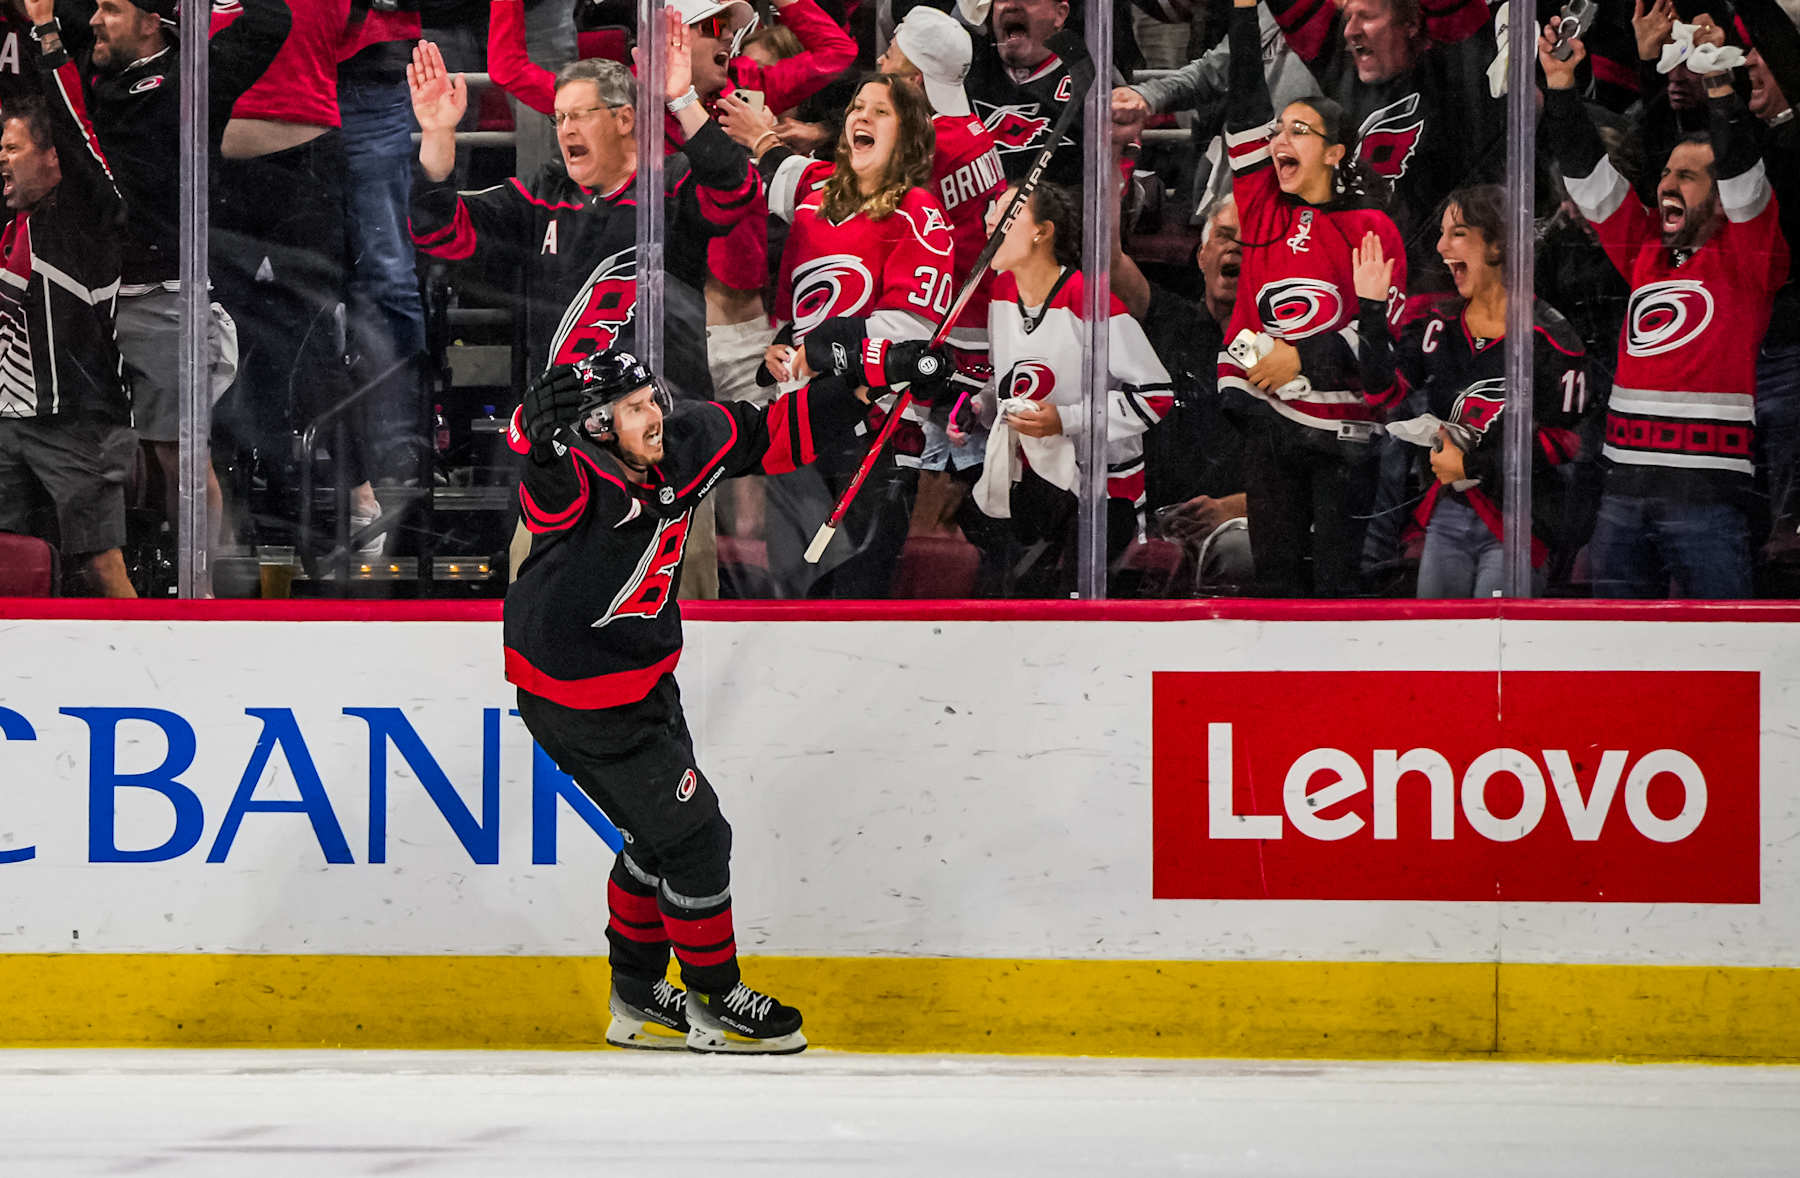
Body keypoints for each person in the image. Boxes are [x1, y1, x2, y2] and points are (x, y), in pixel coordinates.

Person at [505, 345, 947, 1052]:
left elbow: (773, 432)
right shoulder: (580, 477)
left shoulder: (683, 446)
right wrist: (546, 446)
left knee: (657, 842)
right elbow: (545, 493)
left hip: (643, 679)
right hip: (578, 699)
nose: (655, 415)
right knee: (700, 838)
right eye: (635, 409)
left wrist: (874, 378)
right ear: (595, 431)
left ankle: (637, 992)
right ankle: (715, 999)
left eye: (653, 399)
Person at [1540, 19, 1788, 598]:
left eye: (1688, 176)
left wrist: (1721, 88)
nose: (1667, 183)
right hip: (1622, 492)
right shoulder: (1647, 246)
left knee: (1722, 651)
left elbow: (1745, 175)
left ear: (1721, 193)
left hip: (1705, 498)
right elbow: (1585, 172)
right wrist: (1560, 86)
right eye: (1666, 172)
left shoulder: (1749, 257)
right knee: (1616, 653)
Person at [407, 16, 760, 402]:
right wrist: (438, 132)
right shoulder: (542, 194)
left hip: (664, 416)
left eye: (579, 115)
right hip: (565, 423)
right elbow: (437, 231)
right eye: (559, 117)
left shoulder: (671, 184)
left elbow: (736, 188)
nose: (565, 129)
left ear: (624, 118)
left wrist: (681, 99)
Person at [78, 0, 289, 567]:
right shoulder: (89, 75)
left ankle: (207, 590)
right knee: (106, 455)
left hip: (167, 290)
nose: (95, 19)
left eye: (111, 9)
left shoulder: (196, 73)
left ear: (153, 21)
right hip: (94, 291)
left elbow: (273, 19)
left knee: (181, 457)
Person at [1219, 0, 1407, 598]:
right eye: (1278, 132)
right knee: (1273, 577)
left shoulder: (1371, 226)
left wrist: (1300, 357)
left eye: (1298, 131)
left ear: (1335, 153)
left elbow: (1380, 347)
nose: (1279, 139)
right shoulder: (1262, 208)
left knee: (1333, 583)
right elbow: (1246, 98)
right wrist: (1243, 12)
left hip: (1342, 438)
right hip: (1272, 425)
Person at [749, 73, 957, 595]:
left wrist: (818, 353)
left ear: (908, 133)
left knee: (850, 598)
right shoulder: (813, 204)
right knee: (790, 596)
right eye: (857, 107)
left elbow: (909, 338)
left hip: (876, 435)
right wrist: (782, 348)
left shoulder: (919, 213)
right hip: (797, 426)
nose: (860, 116)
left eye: (880, 111)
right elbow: (799, 317)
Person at [1352, 187, 1591, 598]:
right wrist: (1372, 311)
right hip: (1448, 514)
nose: (1442, 246)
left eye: (1458, 233)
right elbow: (1382, 393)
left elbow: (1565, 446)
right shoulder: (1437, 324)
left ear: (1498, 243)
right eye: (1443, 233)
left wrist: (1474, 465)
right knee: (1439, 647)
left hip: (1518, 527)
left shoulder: (1552, 339)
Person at [963, 181, 1175, 594]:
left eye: (1006, 214)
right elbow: (1008, 379)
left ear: (1042, 231)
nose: (990, 219)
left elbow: (1156, 394)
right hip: (1036, 482)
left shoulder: (1087, 299)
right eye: (991, 210)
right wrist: (980, 407)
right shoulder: (1003, 290)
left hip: (1101, 494)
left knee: (1069, 612)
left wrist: (1066, 419)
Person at [0, 0, 134, 597]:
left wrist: (46, 36)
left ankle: (155, 660)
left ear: (54, 159)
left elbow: (77, 130)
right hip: (6, 423)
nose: (1, 158)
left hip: (77, 422)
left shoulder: (82, 221)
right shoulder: (11, 226)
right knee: (10, 565)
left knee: (101, 567)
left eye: (14, 148)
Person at [1260, 0, 1497, 293]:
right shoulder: (1340, 67)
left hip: (1433, 290)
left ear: (1411, 24)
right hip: (1350, 282)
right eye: (1348, 17)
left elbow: (1458, 18)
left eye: (1368, 17)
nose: (1351, 31)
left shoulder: (1453, 72)